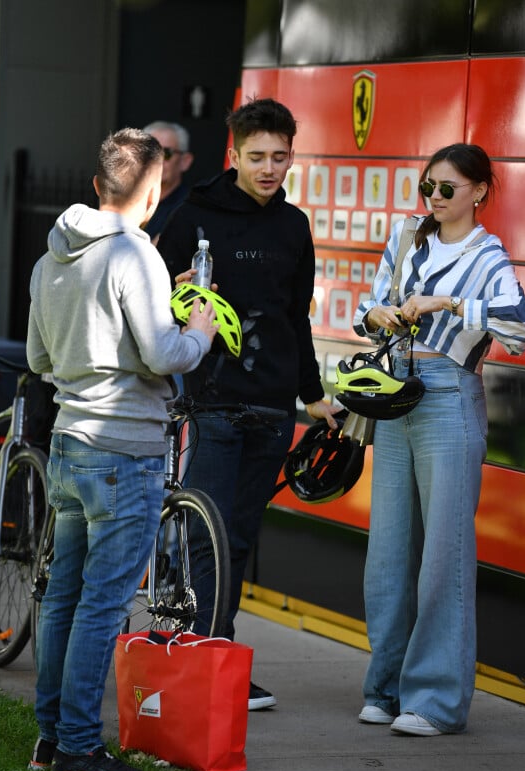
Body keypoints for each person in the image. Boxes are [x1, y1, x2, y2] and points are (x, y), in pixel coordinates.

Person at [25, 128, 217, 771]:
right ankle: (78, 746)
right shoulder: (137, 253)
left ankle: (51, 739)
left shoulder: (51, 256)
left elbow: (39, 359)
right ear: (154, 189)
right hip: (125, 451)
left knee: (65, 598)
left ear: (97, 184)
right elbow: (163, 355)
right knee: (101, 605)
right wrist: (195, 334)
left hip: (71, 444)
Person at [157, 97, 339, 710]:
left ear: (292, 155)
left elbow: (297, 319)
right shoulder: (192, 215)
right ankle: (204, 657)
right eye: (257, 157)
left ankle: (216, 656)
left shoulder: (294, 226)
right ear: (233, 154)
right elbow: (148, 301)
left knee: (238, 535)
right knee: (207, 533)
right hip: (209, 401)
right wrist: (171, 292)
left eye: (280, 157)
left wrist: (313, 397)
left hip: (271, 408)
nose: (269, 168)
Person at [353, 143, 525, 736]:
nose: (434, 198)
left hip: (449, 393)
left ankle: (434, 700)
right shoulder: (408, 237)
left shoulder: (488, 254)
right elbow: (370, 303)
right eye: (429, 186)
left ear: (480, 191)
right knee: (389, 552)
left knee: (443, 557)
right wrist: (378, 314)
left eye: (448, 189)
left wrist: (450, 301)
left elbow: (520, 323)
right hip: (395, 386)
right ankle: (384, 686)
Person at [143, 120, 194, 244]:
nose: (157, 160)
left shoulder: (190, 208)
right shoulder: (128, 201)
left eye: (166, 153)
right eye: (151, 152)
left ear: (185, 161)